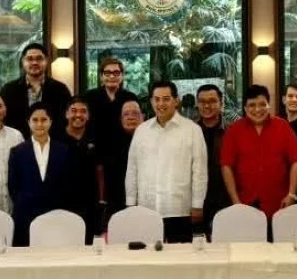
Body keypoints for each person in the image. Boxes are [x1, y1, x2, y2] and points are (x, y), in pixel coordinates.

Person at [126, 80, 207, 243]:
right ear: (151, 101)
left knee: (180, 256)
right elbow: (132, 169)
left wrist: (198, 204)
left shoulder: (192, 130)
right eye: (156, 99)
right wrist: (130, 202)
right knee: (146, 255)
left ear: (176, 101)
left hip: (180, 209)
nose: (161, 104)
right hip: (146, 208)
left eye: (166, 99)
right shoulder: (141, 131)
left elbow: (199, 171)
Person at [221, 85, 297, 234]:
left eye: (262, 104)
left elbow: (296, 161)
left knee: (279, 245)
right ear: (245, 108)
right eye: (252, 105)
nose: (257, 109)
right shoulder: (234, 131)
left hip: (279, 204)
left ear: (268, 105)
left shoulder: (282, 127)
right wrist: (235, 201)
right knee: (248, 245)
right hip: (245, 203)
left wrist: (291, 194)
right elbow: (226, 166)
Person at [7, 103, 77, 246]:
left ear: (50, 122)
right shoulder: (17, 152)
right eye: (35, 120)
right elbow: (13, 186)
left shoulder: (64, 150)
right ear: (28, 122)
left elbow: (69, 184)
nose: (39, 124)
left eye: (44, 120)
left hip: (57, 215)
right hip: (25, 216)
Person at [0, 43, 73, 139]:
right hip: (18, 142)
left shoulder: (60, 90)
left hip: (52, 143)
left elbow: (65, 120)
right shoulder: (9, 90)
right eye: (30, 59)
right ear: (23, 61)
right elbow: (4, 119)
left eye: (39, 58)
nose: (34, 62)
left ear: (46, 61)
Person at [63, 96, 104, 239]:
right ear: (66, 114)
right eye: (74, 111)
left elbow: (100, 171)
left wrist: (101, 200)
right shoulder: (56, 139)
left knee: (89, 245)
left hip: (91, 205)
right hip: (64, 204)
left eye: (83, 111)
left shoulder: (96, 137)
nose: (78, 115)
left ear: (88, 115)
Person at [100, 99, 143, 228]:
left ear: (143, 117)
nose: (130, 117)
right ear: (120, 119)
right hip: (116, 203)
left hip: (145, 202)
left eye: (135, 113)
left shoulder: (151, 139)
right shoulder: (110, 142)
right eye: (126, 114)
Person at [84, 57, 138, 159]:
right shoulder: (89, 97)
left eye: (116, 73)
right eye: (107, 73)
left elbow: (137, 124)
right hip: (95, 152)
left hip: (124, 152)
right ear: (101, 76)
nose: (112, 76)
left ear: (122, 76)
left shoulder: (130, 98)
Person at [196, 84, 229, 232]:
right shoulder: (191, 131)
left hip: (225, 198)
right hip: (197, 201)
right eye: (202, 102)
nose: (207, 106)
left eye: (212, 101)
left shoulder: (231, 131)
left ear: (221, 103)